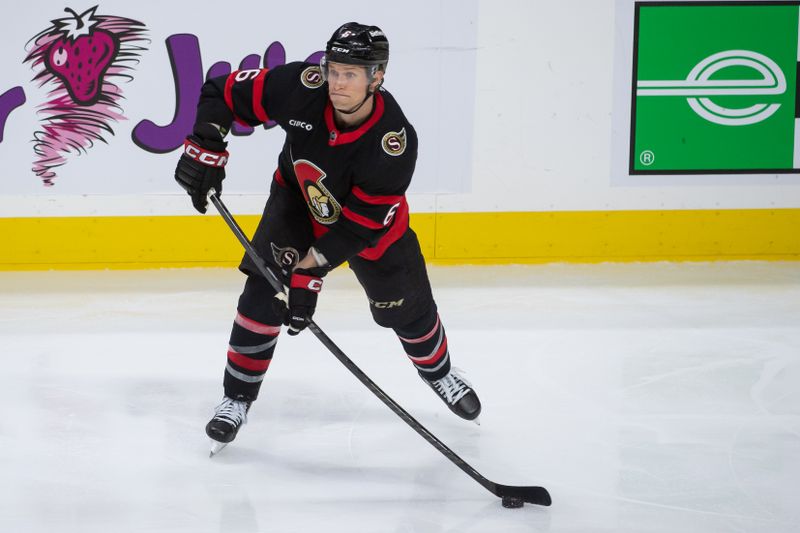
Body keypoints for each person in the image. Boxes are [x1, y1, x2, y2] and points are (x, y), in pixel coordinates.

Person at [174, 22, 481, 451]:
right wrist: (206, 147)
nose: (337, 83)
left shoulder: (393, 141)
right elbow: (222, 93)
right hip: (296, 204)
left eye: (350, 74)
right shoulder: (303, 86)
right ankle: (235, 399)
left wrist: (310, 272)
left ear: (377, 77)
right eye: (334, 69)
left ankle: (440, 373)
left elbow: (358, 225)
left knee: (405, 312)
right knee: (263, 294)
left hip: (370, 232)